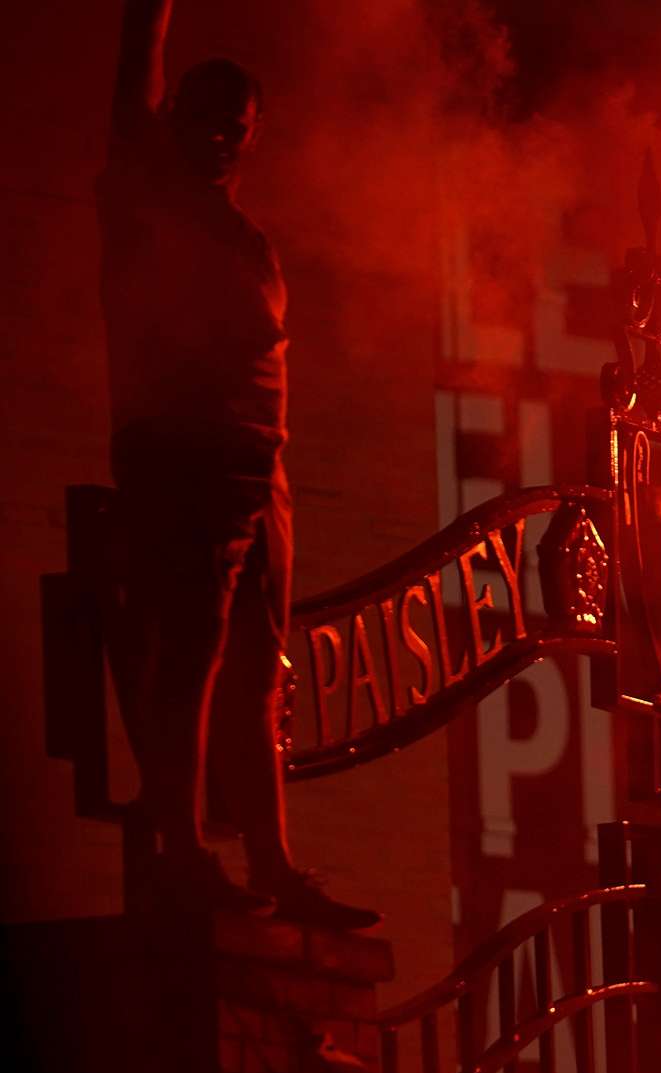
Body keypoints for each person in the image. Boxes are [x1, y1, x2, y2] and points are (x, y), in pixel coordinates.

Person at [101, 0, 378, 930]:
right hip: (184, 453)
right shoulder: (142, 188)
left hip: (261, 469)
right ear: (175, 111)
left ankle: (272, 863)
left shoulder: (235, 228)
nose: (219, 137)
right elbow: (135, 65)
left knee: (259, 671)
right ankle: (180, 845)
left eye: (237, 127)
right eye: (206, 116)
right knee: (190, 652)